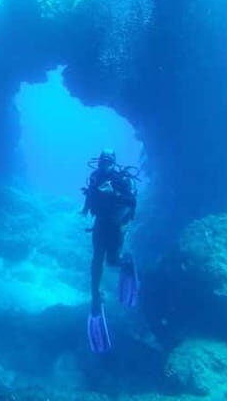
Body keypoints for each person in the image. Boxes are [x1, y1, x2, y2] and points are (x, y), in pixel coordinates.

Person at [82, 148, 139, 353]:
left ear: (113, 163)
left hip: (115, 226)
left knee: (112, 261)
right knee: (96, 260)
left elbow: (131, 202)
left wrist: (113, 192)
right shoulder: (95, 177)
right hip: (99, 225)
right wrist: (84, 208)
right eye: (102, 161)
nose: (104, 165)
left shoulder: (120, 180)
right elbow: (90, 197)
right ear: (98, 162)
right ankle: (96, 295)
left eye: (108, 161)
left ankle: (127, 262)